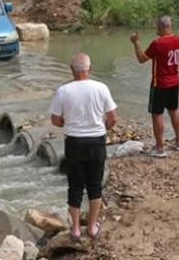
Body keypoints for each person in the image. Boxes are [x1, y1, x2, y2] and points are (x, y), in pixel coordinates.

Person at [50, 53, 117, 241]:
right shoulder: (101, 88)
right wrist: (102, 129)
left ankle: (76, 228)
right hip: (97, 141)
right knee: (95, 186)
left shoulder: (64, 91)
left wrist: (67, 123)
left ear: (71, 70)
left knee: (75, 187)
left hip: (74, 142)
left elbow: (55, 120)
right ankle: (93, 227)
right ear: (90, 69)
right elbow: (113, 118)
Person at [130, 15, 179, 158]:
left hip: (160, 83)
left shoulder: (158, 43)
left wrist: (135, 43)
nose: (156, 29)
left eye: (157, 27)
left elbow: (142, 59)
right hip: (175, 80)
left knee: (157, 114)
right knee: (173, 110)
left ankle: (160, 148)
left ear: (161, 27)